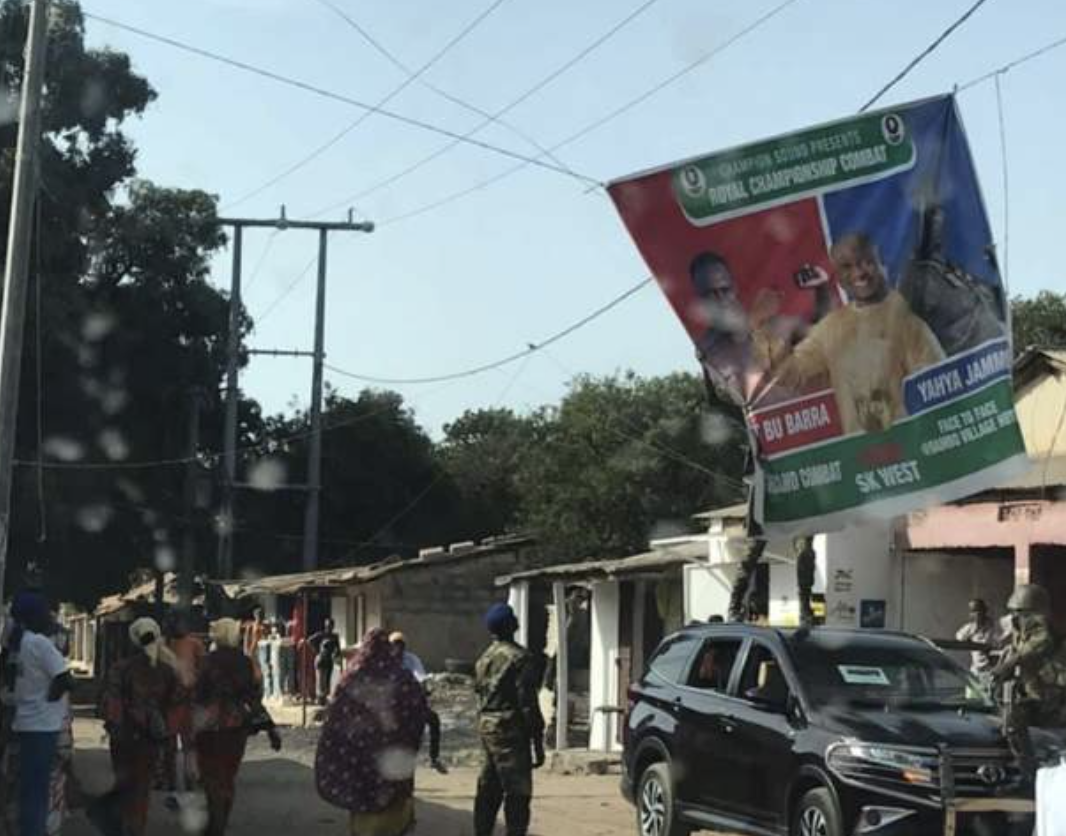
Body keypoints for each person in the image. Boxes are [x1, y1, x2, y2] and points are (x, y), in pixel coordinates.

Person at [754, 233, 945, 434]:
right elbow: (790, 375)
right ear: (839, 279)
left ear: (883, 264)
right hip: (861, 455)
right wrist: (761, 325)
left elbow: (937, 388)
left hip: (912, 444)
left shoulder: (909, 321)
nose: (858, 273)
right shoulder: (831, 327)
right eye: (847, 267)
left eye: (866, 262)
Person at [314, 628, 428, 836]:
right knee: (395, 807)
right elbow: (418, 714)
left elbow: (335, 716)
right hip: (395, 759)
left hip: (359, 760)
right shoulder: (402, 678)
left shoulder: (351, 677)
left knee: (362, 802)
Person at [194, 617, 280, 836]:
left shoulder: (206, 661)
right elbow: (253, 696)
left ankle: (215, 823)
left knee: (211, 775)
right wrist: (270, 728)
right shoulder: (244, 662)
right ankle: (220, 823)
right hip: (236, 725)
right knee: (227, 776)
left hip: (207, 726)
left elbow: (197, 694)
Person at [98, 617, 180, 836]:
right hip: (151, 740)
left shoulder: (120, 668)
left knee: (124, 785)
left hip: (123, 738)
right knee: (142, 790)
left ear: (133, 640)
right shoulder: (167, 671)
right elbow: (175, 708)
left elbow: (110, 705)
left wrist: (113, 728)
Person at [0, 591, 72, 836]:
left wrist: (42, 701)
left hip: (33, 726)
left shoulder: (27, 643)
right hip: (36, 726)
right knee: (33, 791)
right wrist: (44, 700)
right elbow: (61, 679)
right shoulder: (32, 643)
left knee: (31, 790)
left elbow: (62, 679)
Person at [473, 603, 545, 836]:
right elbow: (527, 703)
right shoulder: (520, 658)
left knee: (488, 787)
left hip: (487, 726)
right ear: (511, 625)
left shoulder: (484, 658)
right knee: (517, 792)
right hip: (510, 729)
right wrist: (537, 738)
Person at [991, 584, 1066, 779]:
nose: (1016, 618)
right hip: (1036, 697)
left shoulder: (1045, 631)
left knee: (1014, 720)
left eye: (1021, 613)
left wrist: (1010, 663)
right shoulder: (1020, 636)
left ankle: (1028, 777)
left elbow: (1037, 647)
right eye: (1014, 613)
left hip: (1054, 700)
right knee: (1000, 719)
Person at [390, 631, 447, 774]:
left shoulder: (411, 659)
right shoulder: (386, 661)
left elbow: (420, 676)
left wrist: (424, 688)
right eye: (395, 645)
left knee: (433, 720)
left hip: (411, 701)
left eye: (401, 645)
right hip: (392, 704)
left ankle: (434, 758)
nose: (398, 648)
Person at [955, 598, 1004, 689]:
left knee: (986, 695)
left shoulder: (994, 626)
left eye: (978, 610)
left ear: (984, 611)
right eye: (973, 611)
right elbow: (959, 637)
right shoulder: (971, 627)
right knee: (972, 696)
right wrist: (974, 629)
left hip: (989, 669)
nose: (977, 614)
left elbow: (998, 644)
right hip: (976, 669)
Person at [307, 619, 340, 705]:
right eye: (328, 626)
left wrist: (336, 654)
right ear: (325, 626)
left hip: (329, 660)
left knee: (327, 680)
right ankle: (320, 699)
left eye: (331, 626)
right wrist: (316, 650)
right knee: (321, 680)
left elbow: (337, 649)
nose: (329, 628)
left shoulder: (335, 636)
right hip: (321, 660)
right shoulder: (321, 635)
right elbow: (309, 640)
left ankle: (324, 699)